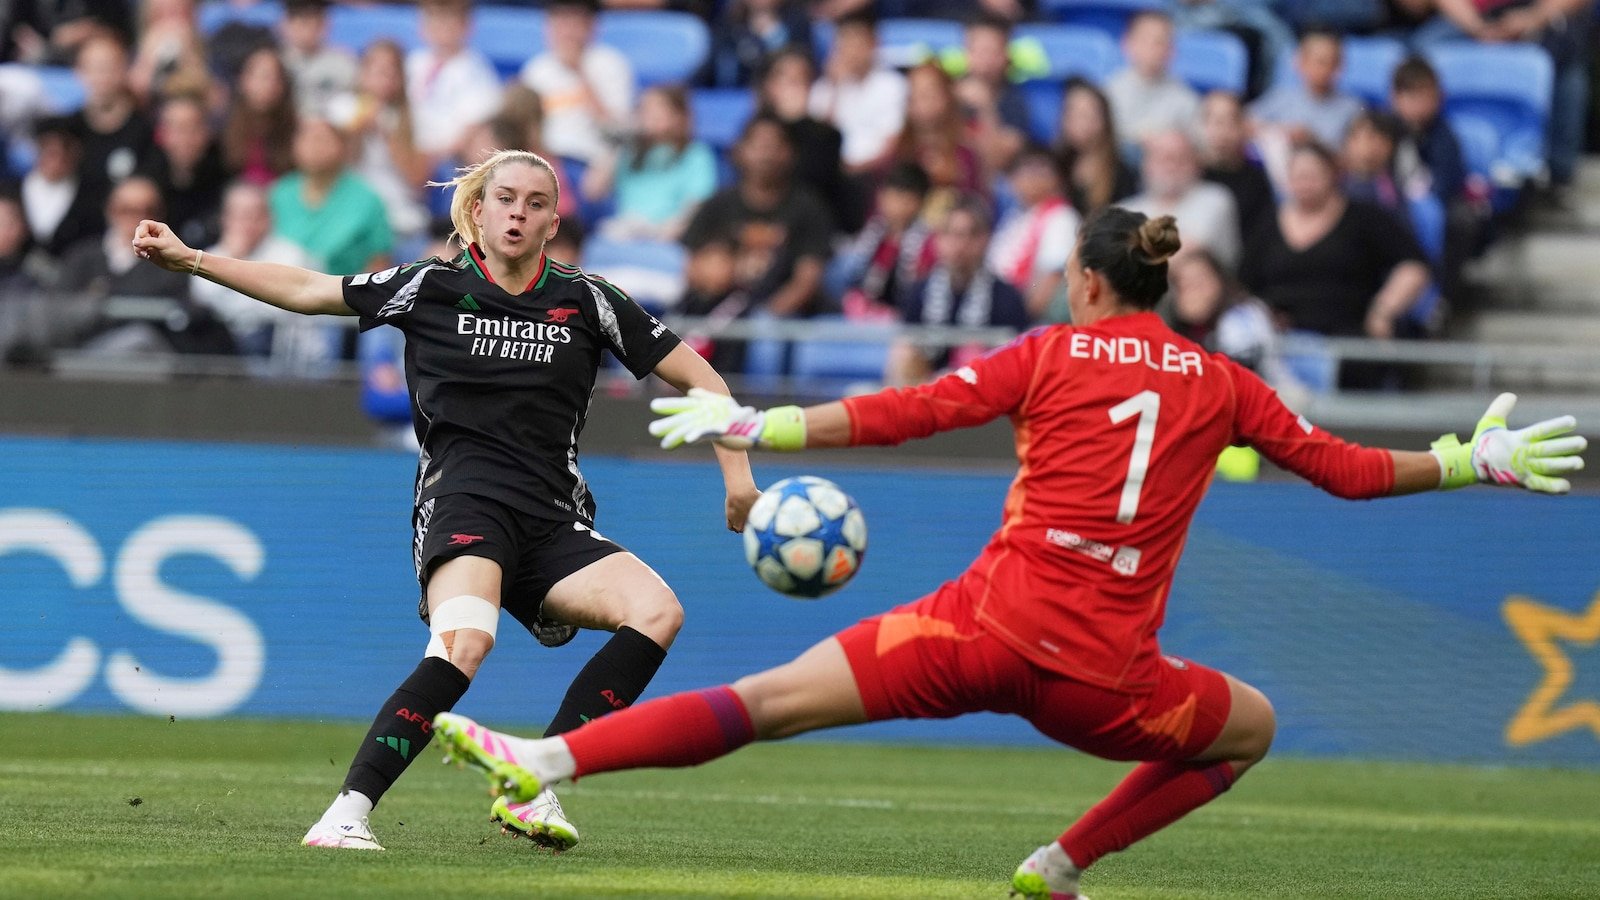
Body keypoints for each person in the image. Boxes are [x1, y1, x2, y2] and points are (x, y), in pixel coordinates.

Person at [426, 207, 1586, 900]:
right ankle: (1063, 865)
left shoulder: (1047, 355)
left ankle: (552, 762)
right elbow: (1341, 470)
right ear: (1161, 284)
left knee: (767, 700)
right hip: (1108, 681)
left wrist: (755, 426)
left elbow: (907, 411)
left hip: (973, 634)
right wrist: (1463, 459)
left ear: (1086, 283)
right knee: (1252, 727)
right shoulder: (1227, 386)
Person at [131, 147, 761, 852]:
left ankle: (533, 785)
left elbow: (703, 378)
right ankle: (345, 814)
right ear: (478, 210)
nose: (519, 212)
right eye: (506, 199)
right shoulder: (429, 284)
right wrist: (193, 260)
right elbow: (311, 289)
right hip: (464, 504)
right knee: (465, 641)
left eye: (536, 203)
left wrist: (737, 478)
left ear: (555, 221)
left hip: (553, 520)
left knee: (657, 612)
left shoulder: (589, 299)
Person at [1239, 141, 1430, 345]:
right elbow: (1244, 283)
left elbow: (1414, 265)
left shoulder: (1365, 218)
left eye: (1312, 176)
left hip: (1348, 335)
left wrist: (1383, 311)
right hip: (1278, 339)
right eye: (1298, 176)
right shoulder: (1267, 223)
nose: (1305, 183)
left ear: (1333, 175)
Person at [887, 192, 1028, 386]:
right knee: (904, 352)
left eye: (969, 235)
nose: (959, 245)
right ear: (937, 240)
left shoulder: (1007, 297)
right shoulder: (918, 291)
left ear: (985, 239)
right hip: (926, 392)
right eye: (950, 234)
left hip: (982, 394)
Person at [327, 40, 432, 250]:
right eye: (377, 70)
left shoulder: (416, 116)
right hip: (347, 212)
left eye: (392, 72)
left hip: (398, 215)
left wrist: (387, 134)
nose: (384, 78)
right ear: (363, 73)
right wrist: (355, 132)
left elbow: (419, 181)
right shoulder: (341, 108)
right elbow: (329, 169)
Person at [584, 85, 718, 242]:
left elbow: (697, 206)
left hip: (669, 239)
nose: (645, 115)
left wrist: (664, 234)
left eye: (655, 108)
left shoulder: (696, 155)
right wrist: (614, 144)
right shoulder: (628, 152)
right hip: (625, 235)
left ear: (678, 116)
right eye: (642, 108)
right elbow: (592, 192)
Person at [269, 117, 394, 277]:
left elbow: (379, 262)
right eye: (306, 138)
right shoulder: (279, 193)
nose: (313, 146)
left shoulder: (366, 200)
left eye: (322, 139)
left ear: (342, 146)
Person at [520, 0, 634, 165]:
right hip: (544, 161)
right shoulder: (537, 69)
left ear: (592, 25)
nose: (566, 31)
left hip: (589, 161)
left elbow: (618, 132)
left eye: (573, 22)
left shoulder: (610, 64)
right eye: (559, 21)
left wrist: (579, 72)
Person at [1122, 128, 1240, 272]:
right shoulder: (1126, 210)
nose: (1171, 166)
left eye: (1180, 158)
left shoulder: (1215, 199)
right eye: (1163, 158)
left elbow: (1189, 252)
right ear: (1146, 164)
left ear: (1196, 163)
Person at [987, 144, 1079, 319]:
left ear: (1058, 178)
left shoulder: (1062, 218)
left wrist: (1019, 317)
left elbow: (1050, 280)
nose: (1032, 177)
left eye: (1040, 169)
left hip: (1026, 321)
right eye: (1025, 169)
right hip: (995, 309)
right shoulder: (1013, 217)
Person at [809, 11, 907, 172]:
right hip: (832, 173)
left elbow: (893, 143)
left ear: (874, 43)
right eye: (846, 41)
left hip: (876, 171)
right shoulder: (823, 88)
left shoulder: (892, 85)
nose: (853, 50)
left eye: (858, 41)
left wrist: (857, 170)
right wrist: (835, 89)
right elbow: (819, 141)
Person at [407, 0, 502, 167]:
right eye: (433, 17)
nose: (440, 26)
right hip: (407, 150)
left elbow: (470, 131)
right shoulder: (414, 62)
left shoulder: (474, 69)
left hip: (447, 161)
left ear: (466, 25)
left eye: (448, 19)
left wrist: (430, 157)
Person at [137, 92, 230, 249]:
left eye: (193, 129)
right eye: (178, 130)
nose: (186, 139)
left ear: (207, 133)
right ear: (162, 134)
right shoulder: (146, 182)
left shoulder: (225, 175)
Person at [1249, 28, 1365, 151]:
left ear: (1341, 65)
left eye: (1333, 62)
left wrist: (1313, 141)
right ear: (1300, 62)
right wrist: (1280, 131)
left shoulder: (1352, 108)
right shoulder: (1282, 97)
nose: (1327, 69)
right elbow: (1246, 123)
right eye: (1320, 62)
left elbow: (1356, 155)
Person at [1103, 11, 1200, 156]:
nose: (1154, 48)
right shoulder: (1108, 92)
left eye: (1161, 42)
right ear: (1127, 44)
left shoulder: (1185, 98)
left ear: (1172, 50)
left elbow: (1195, 147)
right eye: (1146, 40)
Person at [1197, 90, 1275, 249]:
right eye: (1215, 121)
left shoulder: (1256, 181)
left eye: (1230, 122)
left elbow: (1260, 238)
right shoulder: (1187, 174)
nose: (1222, 131)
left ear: (1244, 127)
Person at [1052, 78, 1138, 218]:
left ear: (1105, 119)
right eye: (1072, 113)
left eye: (1087, 114)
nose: (1080, 122)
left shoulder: (1121, 173)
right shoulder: (1056, 164)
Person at [221, 46, 297, 186]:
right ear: (243, 81)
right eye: (261, 77)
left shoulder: (296, 129)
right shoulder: (223, 127)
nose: (268, 85)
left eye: (275, 78)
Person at [280, 0, 357, 117]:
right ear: (285, 24)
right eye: (301, 21)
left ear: (325, 24)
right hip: (284, 128)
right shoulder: (274, 60)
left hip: (332, 128)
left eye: (314, 21)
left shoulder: (344, 62)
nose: (307, 29)